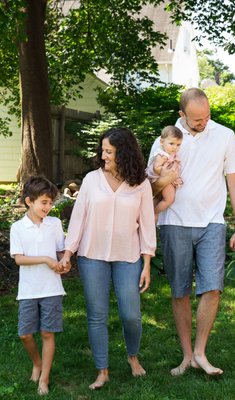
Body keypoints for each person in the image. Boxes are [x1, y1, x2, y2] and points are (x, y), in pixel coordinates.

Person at [150, 88, 235, 376]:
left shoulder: (225, 135)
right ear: (181, 115)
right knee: (180, 292)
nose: (203, 123)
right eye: (195, 120)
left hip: (212, 222)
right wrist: (165, 177)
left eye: (206, 117)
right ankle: (186, 355)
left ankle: (201, 352)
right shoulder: (165, 139)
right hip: (174, 222)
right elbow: (150, 187)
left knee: (213, 288)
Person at [59, 127, 156, 390]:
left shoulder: (141, 184)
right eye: (102, 150)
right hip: (93, 255)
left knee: (131, 315)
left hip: (128, 256)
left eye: (109, 151)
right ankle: (102, 370)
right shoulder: (92, 179)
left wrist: (146, 263)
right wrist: (69, 251)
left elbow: (147, 224)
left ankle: (133, 356)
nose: (103, 156)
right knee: (97, 315)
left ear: (123, 153)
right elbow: (78, 218)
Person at [9, 176, 71, 395]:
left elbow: (61, 251)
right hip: (28, 290)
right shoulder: (18, 228)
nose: (48, 207)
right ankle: (37, 362)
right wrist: (46, 259)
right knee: (25, 334)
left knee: (47, 333)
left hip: (51, 289)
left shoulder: (54, 224)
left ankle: (44, 379)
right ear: (29, 201)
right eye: (44, 202)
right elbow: (19, 259)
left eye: (51, 202)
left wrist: (64, 262)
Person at [146, 125, 184, 218]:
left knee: (158, 198)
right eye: (171, 144)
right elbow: (156, 168)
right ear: (162, 142)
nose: (175, 147)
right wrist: (167, 176)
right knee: (169, 199)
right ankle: (153, 213)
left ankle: (149, 212)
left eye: (178, 145)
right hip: (160, 178)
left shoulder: (170, 154)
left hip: (166, 178)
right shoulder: (162, 155)